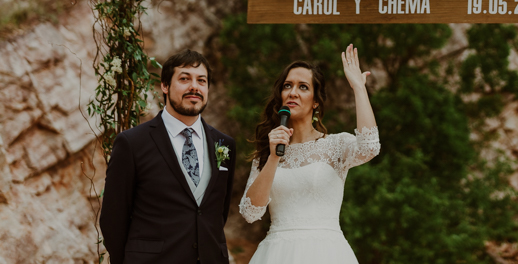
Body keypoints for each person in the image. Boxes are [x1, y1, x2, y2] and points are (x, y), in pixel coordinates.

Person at [240, 44, 379, 263]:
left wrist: (359, 89)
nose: (293, 92)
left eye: (303, 87)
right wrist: (274, 157)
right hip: (276, 255)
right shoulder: (267, 153)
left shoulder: (335, 145)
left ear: (316, 101)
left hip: (326, 252)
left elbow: (370, 146)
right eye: (288, 86)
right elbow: (250, 213)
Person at [99, 49, 236, 264]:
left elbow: (218, 213)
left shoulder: (224, 144)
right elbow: (113, 218)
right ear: (164, 86)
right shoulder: (132, 143)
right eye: (184, 79)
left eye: (202, 80)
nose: (194, 87)